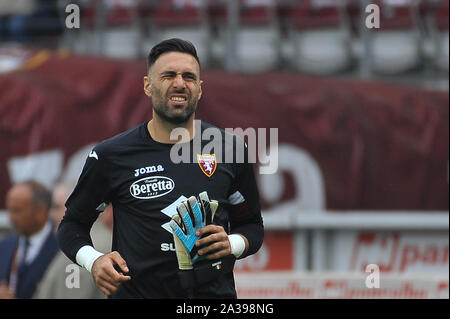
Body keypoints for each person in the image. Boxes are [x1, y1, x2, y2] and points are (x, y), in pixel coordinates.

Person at [57, 38, 264, 298]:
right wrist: (94, 260)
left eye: (188, 77)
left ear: (199, 89)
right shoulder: (111, 155)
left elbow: (253, 226)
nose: (179, 83)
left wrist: (232, 243)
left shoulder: (230, 149)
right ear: (147, 85)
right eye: (168, 75)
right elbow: (71, 225)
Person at [33, 180, 112, 299]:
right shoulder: (105, 240)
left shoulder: (80, 249)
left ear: (77, 207)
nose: (51, 215)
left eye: (57, 207)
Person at [0, 180, 58, 299]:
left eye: (17, 211)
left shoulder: (62, 251)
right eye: (9, 210)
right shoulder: (4, 246)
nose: (11, 218)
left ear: (40, 212)